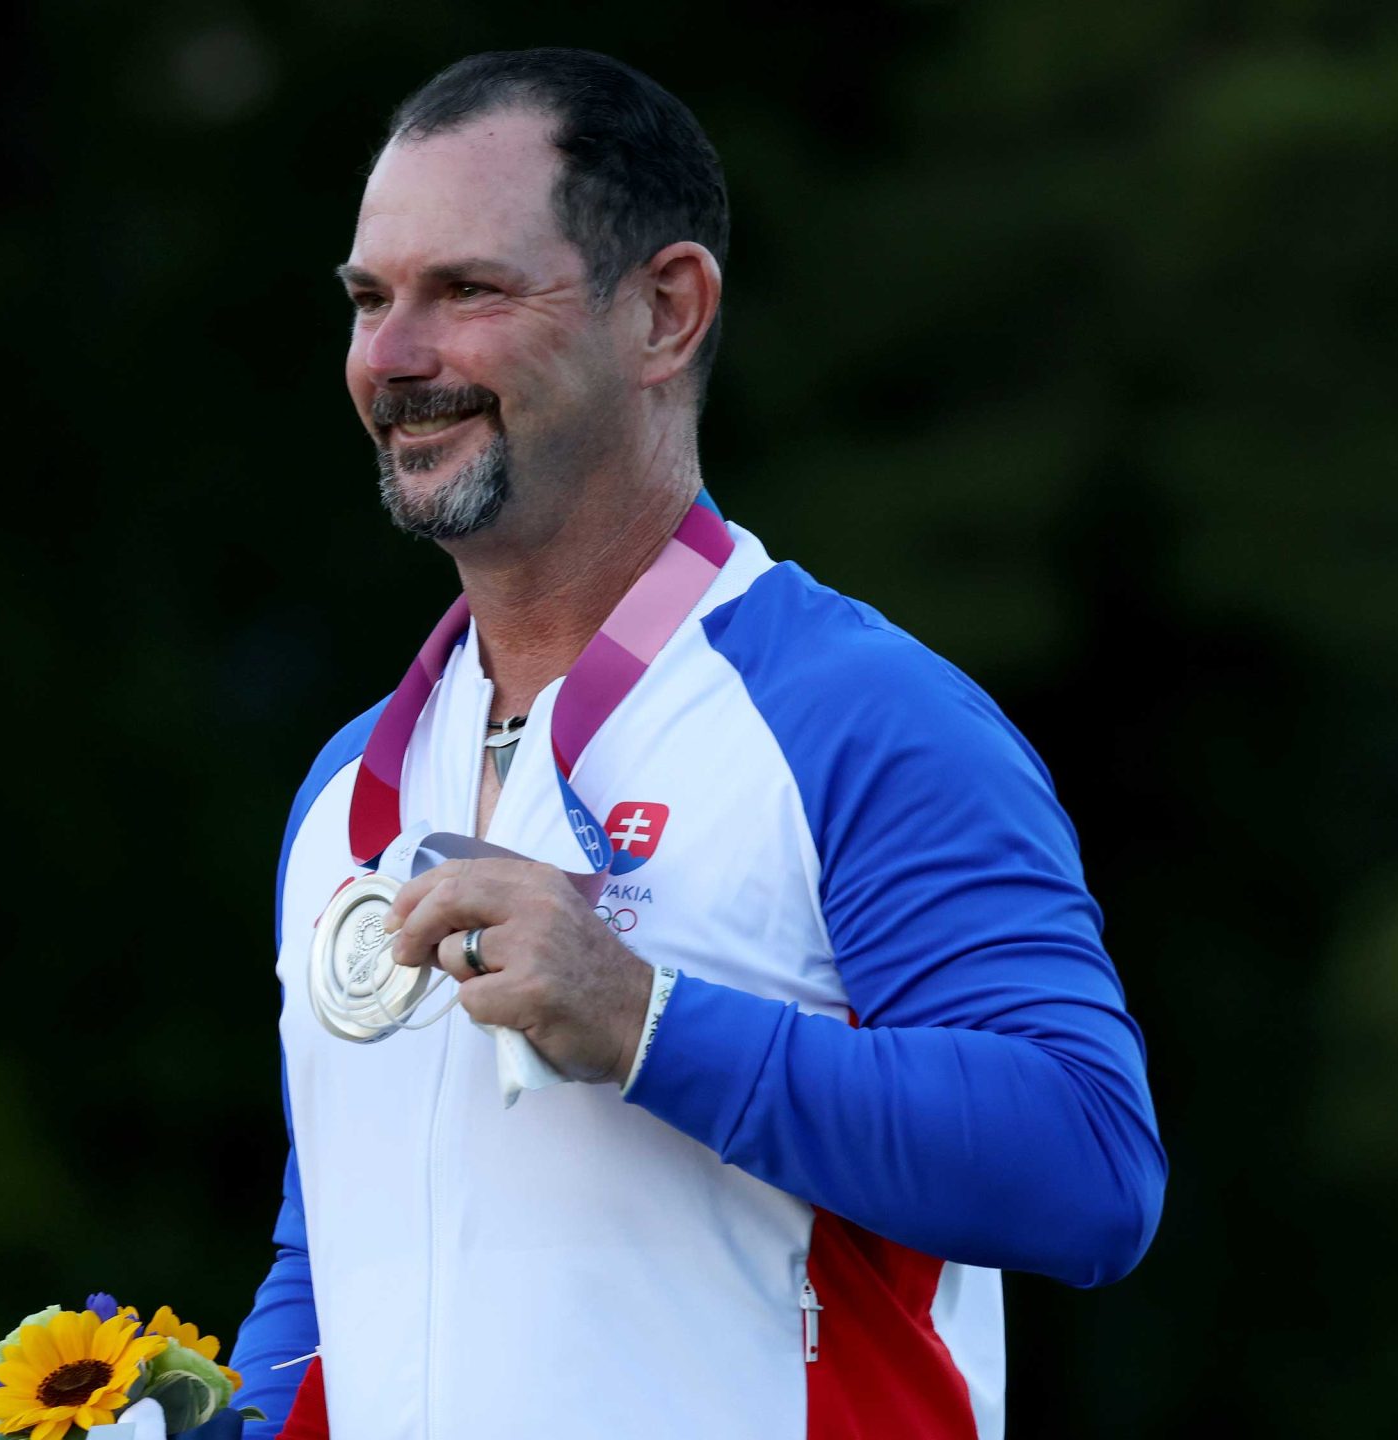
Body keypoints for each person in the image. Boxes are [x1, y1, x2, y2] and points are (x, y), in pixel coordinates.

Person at [225, 48, 1164, 1440]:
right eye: (371, 300)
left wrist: (649, 1025)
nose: (395, 357)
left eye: (468, 291)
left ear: (665, 312)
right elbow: (345, 1258)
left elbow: (1089, 1165)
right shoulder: (345, 792)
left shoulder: (860, 719)